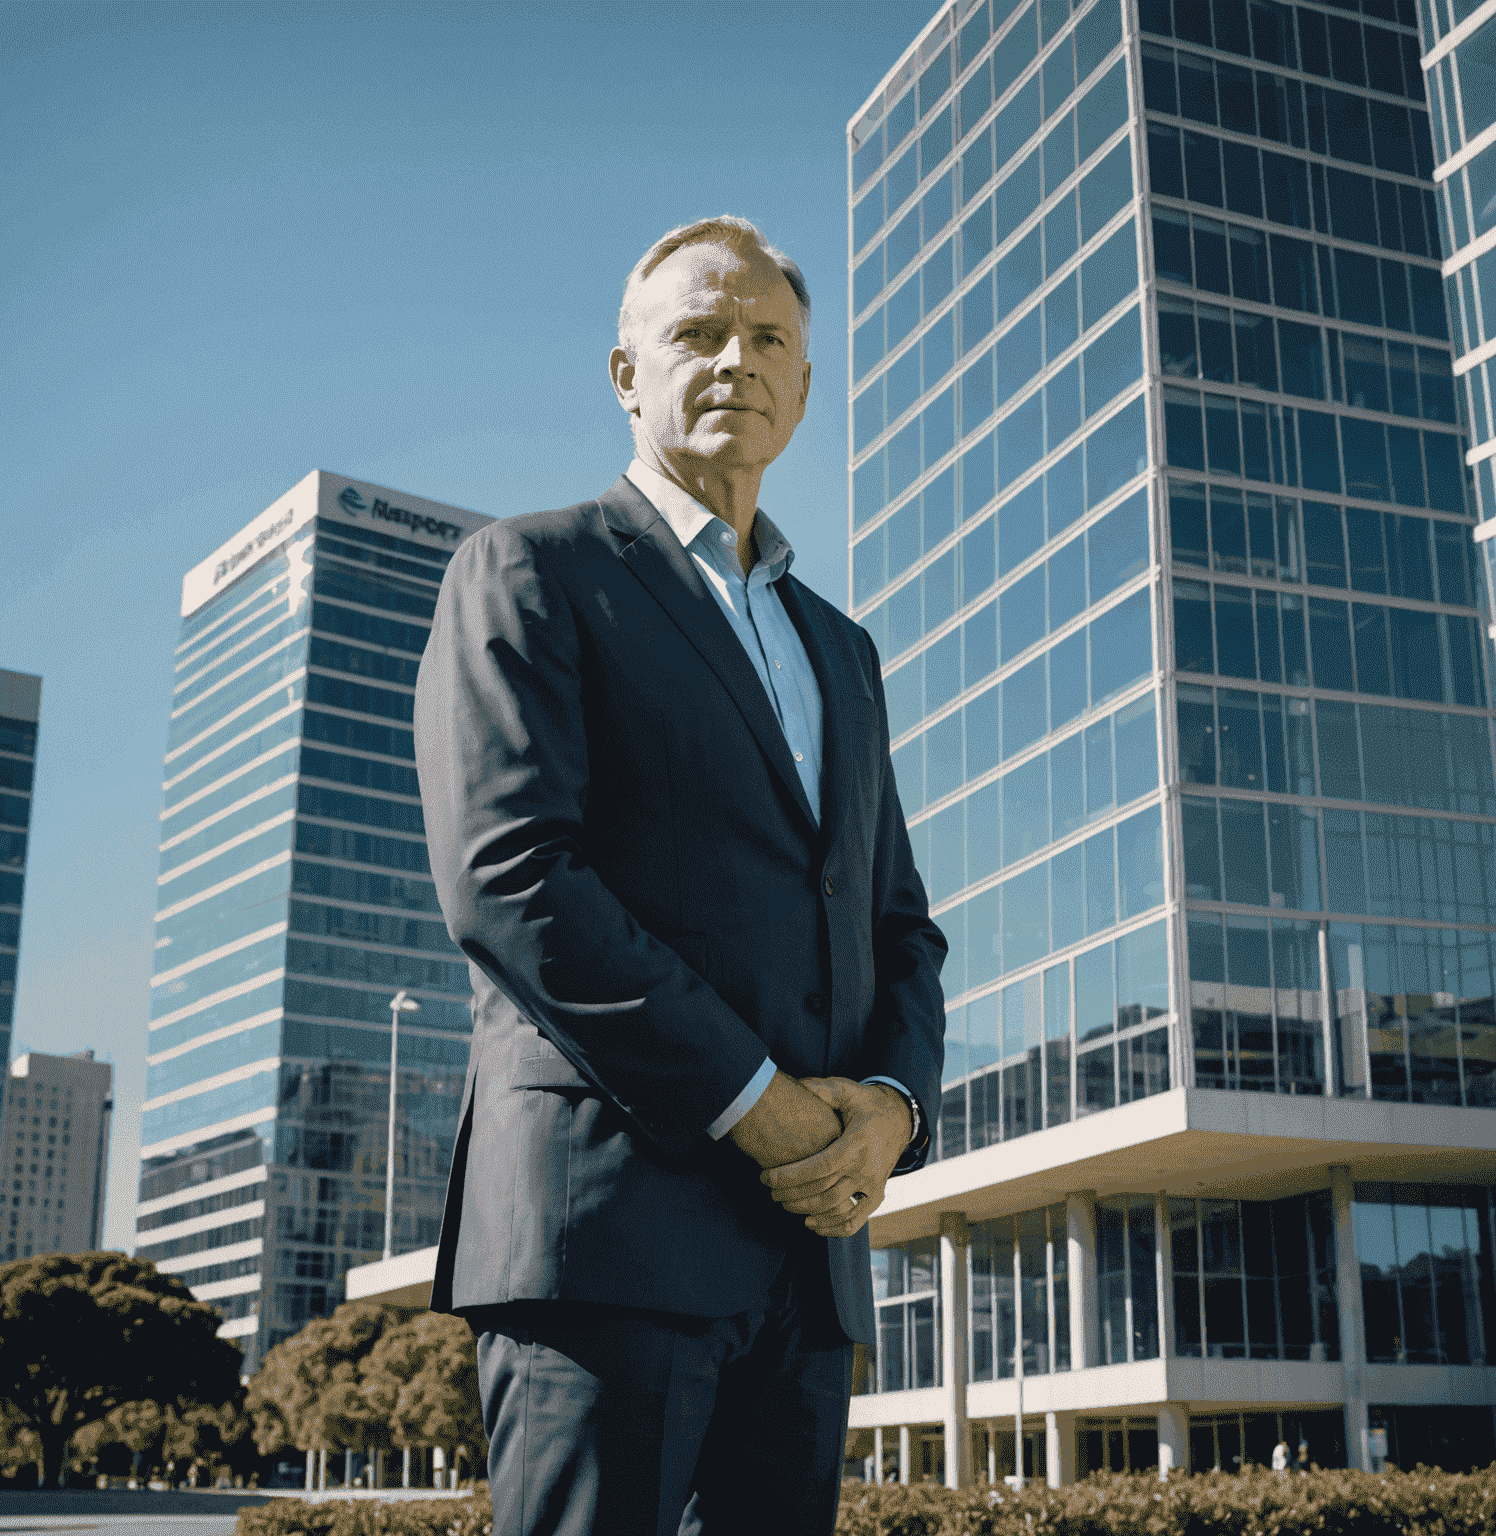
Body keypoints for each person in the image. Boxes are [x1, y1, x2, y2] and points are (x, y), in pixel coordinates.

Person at [413, 215, 947, 1536]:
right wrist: (763, 1110)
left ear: (805, 388)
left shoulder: (844, 651)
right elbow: (513, 879)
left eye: (766, 338)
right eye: (697, 333)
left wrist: (887, 1113)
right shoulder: (533, 572)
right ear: (624, 372)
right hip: (610, 1236)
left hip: (811, 1256)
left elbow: (899, 926)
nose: (734, 360)